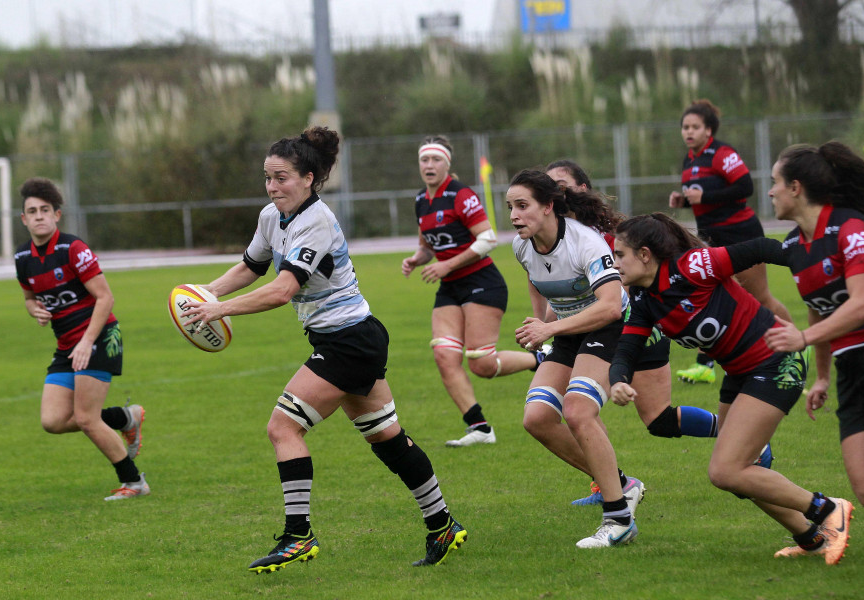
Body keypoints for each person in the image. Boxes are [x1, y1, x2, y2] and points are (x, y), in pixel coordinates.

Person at [180, 127, 466, 573]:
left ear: (309, 178)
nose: (273, 187)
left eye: (282, 177)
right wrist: (200, 294)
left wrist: (217, 310)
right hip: (348, 339)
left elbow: (281, 290)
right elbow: (252, 267)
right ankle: (443, 525)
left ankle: (298, 536)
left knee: (283, 428)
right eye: (268, 178)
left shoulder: (317, 221)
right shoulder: (271, 217)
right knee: (388, 440)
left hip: (349, 342)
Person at [609, 213, 853, 565]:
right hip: (740, 374)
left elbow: (759, 248)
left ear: (645, 254)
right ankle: (812, 537)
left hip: (776, 362)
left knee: (726, 471)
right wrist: (618, 380)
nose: (615, 262)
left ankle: (828, 509)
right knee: (740, 472)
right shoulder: (646, 300)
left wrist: (815, 266)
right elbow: (627, 350)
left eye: (620, 254)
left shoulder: (692, 266)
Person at [545, 160, 724, 509]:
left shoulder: (610, 237)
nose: (553, 192)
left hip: (639, 326)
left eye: (560, 184)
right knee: (582, 410)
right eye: (548, 185)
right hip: (603, 332)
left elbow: (640, 285)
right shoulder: (558, 241)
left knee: (656, 418)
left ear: (582, 189)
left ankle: (738, 433)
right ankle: (612, 486)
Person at [732, 141, 864, 558]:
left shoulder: (851, 228)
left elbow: (863, 302)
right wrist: (823, 376)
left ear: (795, 188)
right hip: (850, 367)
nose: (768, 191)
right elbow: (817, 312)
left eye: (774, 182)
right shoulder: (795, 248)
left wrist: (804, 341)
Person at [507, 168, 642, 548]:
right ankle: (623, 484)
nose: (515, 215)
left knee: (579, 411)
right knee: (536, 418)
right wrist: (541, 325)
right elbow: (547, 290)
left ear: (549, 206)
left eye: (523, 206)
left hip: (611, 327)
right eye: (510, 207)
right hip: (568, 331)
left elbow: (612, 307)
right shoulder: (522, 246)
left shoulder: (587, 242)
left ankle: (618, 518)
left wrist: (548, 330)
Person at [401, 135, 543, 447]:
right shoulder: (420, 200)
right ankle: (479, 427)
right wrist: (417, 259)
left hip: (482, 282)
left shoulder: (460, 194)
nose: (429, 165)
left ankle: (541, 361)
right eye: (424, 159)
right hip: (450, 287)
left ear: (446, 164)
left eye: (435, 159)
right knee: (444, 356)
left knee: (481, 363)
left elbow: (488, 238)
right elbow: (428, 246)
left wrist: (446, 265)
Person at [14, 177, 147, 501]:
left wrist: (87, 342)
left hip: (100, 336)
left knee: (86, 418)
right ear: (24, 219)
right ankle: (124, 417)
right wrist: (34, 310)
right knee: (54, 420)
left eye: (45, 209)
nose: (39, 216)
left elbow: (105, 298)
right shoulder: (23, 258)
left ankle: (134, 483)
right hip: (66, 346)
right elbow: (30, 297)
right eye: (32, 211)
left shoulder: (73, 249)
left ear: (57, 214)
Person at [669, 99, 792, 384]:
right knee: (712, 297)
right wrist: (684, 201)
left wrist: (705, 197)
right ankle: (706, 365)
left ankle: (797, 346)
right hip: (712, 238)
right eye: (685, 127)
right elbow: (703, 197)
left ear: (708, 129)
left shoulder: (721, 153)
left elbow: (745, 187)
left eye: (695, 127)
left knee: (761, 298)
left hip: (741, 233)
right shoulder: (690, 159)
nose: (689, 132)